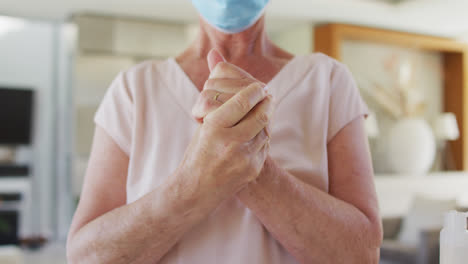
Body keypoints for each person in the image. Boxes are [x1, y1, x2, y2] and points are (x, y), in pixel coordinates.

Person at [66, 0, 383, 263]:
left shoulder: (327, 82)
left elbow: (362, 253)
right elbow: (85, 257)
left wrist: (248, 165)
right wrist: (197, 180)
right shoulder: (134, 90)